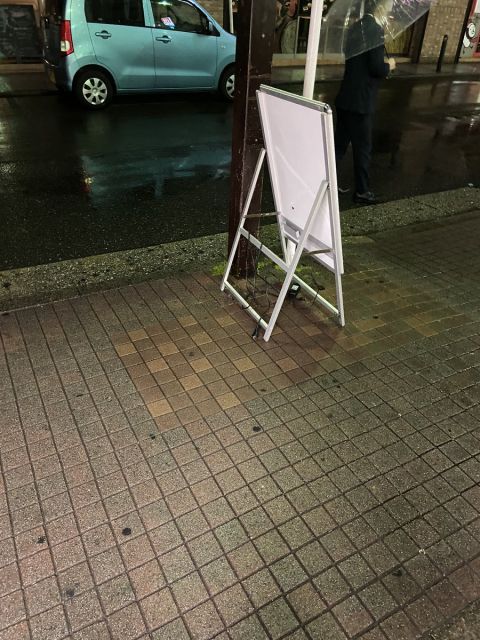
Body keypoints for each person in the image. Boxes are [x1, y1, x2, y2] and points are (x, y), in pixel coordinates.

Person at [334, 0, 396, 205]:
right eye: (389, 4)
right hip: (361, 102)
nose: (391, 8)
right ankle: (362, 191)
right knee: (363, 149)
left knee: (338, 147)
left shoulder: (356, 27)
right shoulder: (375, 30)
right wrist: (389, 66)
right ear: (380, 6)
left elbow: (351, 56)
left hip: (346, 96)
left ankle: (328, 184)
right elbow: (376, 67)